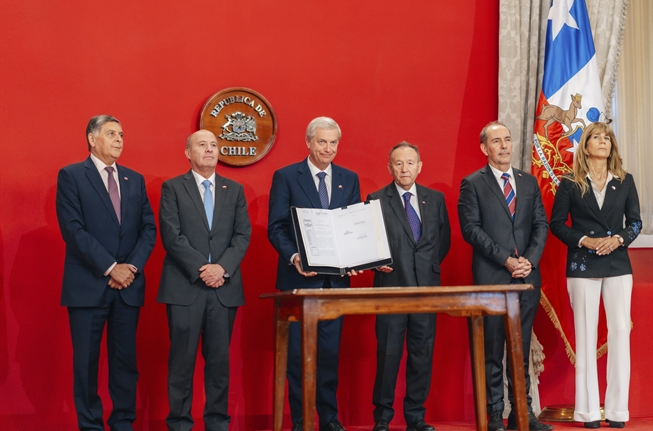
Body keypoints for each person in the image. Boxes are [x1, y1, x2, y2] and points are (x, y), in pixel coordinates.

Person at [56, 115, 156, 431]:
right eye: (111, 133)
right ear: (92, 138)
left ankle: (123, 422)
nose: (119, 139)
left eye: (122, 134)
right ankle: (91, 426)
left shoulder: (134, 179)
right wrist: (112, 268)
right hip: (88, 286)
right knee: (86, 364)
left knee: (125, 363)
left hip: (128, 287)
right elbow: (73, 230)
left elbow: (148, 229)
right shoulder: (72, 175)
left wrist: (131, 268)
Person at [267, 117, 361, 431]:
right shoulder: (286, 177)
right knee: (297, 356)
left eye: (333, 143)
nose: (328, 149)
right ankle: (301, 420)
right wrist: (294, 257)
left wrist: (357, 257)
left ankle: (329, 419)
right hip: (299, 280)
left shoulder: (349, 179)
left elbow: (352, 226)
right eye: (322, 142)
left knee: (329, 355)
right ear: (308, 142)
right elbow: (276, 227)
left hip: (335, 283)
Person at [457, 121, 552, 431]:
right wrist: (506, 260)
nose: (504, 146)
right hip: (492, 277)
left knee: (520, 348)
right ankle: (495, 413)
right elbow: (471, 229)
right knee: (493, 348)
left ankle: (522, 413)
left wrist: (529, 261)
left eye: (508, 140)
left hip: (526, 279)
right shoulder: (473, 183)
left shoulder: (528, 182)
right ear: (484, 148)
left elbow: (541, 225)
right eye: (497, 141)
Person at [157, 129, 251, 431]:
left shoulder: (234, 189)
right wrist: (204, 268)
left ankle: (218, 424)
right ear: (188, 153)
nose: (209, 149)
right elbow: (172, 235)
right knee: (181, 364)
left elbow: (242, 235)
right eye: (202, 145)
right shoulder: (173, 188)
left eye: (213, 145)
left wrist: (221, 268)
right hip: (185, 287)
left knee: (219, 365)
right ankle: (179, 425)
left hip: (224, 288)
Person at [549, 122, 641, 429]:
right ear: (585, 146)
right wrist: (584, 240)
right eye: (596, 137)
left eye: (607, 138)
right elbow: (557, 224)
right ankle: (588, 412)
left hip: (617, 263)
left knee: (620, 334)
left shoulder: (625, 181)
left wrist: (618, 239)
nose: (603, 142)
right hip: (583, 264)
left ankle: (617, 411)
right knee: (586, 336)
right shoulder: (569, 182)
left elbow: (636, 223)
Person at [367, 142, 451, 431]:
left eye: (410, 163)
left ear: (420, 166)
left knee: (421, 355)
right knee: (388, 355)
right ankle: (382, 418)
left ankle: (415, 417)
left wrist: (424, 269)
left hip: (426, 290)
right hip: (391, 289)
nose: (405, 169)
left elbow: (442, 242)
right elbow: (369, 243)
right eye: (399, 163)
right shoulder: (376, 200)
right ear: (390, 167)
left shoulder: (435, 199)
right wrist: (376, 263)